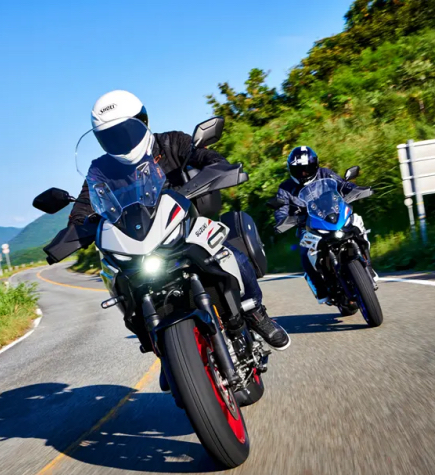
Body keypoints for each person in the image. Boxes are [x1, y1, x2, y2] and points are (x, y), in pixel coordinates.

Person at [68, 90, 289, 350]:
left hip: (184, 226)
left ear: (143, 121)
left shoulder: (172, 142)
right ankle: (161, 347)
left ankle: (256, 312)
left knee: (231, 256)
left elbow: (206, 157)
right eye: (109, 136)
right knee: (118, 282)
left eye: (125, 132)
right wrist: (75, 228)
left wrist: (216, 167)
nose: (119, 141)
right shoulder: (100, 169)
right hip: (137, 242)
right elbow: (85, 203)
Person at [273, 146, 375, 304]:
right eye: (299, 170)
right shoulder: (285, 188)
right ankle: (321, 289)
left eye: (307, 169)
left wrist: (355, 190)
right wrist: (284, 220)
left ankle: (368, 265)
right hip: (307, 226)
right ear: (291, 170)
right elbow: (281, 210)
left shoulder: (326, 174)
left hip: (334, 216)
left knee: (357, 224)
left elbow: (343, 185)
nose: (303, 173)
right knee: (304, 253)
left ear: (315, 165)